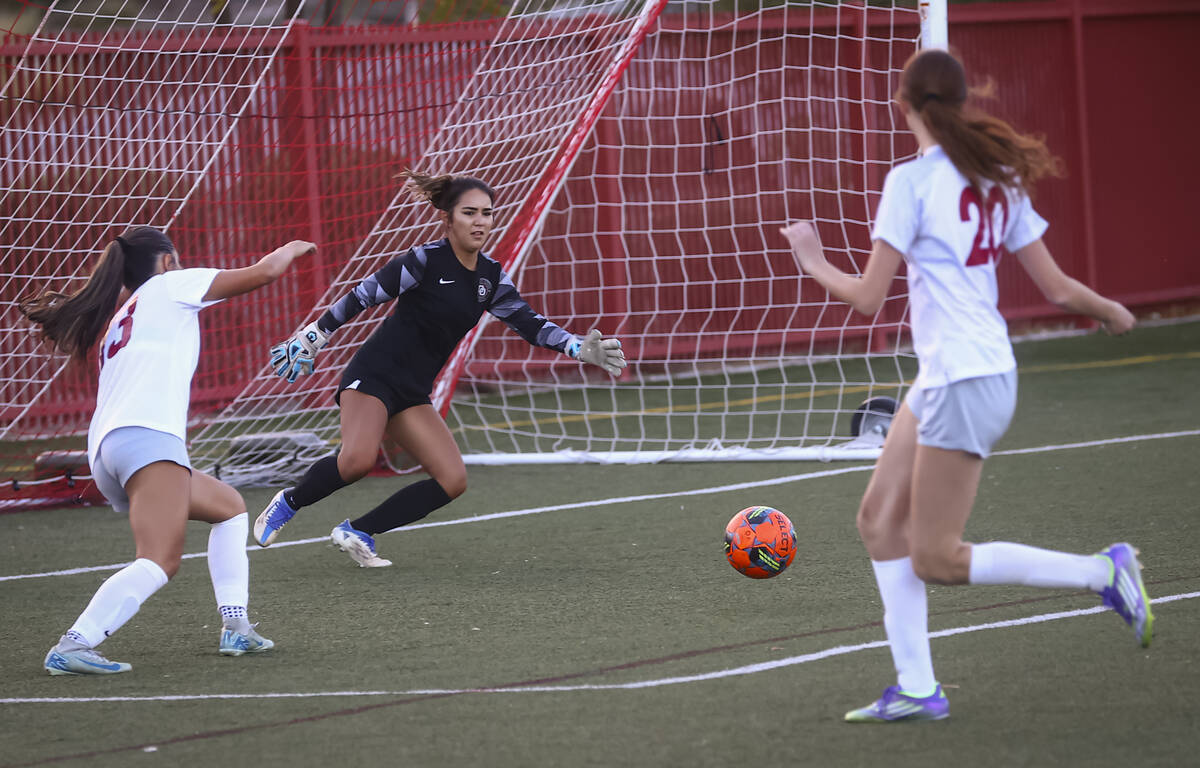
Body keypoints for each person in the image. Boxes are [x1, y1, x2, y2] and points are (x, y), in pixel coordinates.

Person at [779, 49, 1148, 722]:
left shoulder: (911, 184)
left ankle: (1103, 570)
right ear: (959, 102)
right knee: (876, 521)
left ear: (904, 104)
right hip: (955, 371)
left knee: (937, 558)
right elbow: (1058, 286)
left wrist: (811, 259)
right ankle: (917, 687)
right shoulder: (994, 174)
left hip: (965, 380)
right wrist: (1111, 310)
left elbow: (866, 298)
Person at [254, 170, 626, 567]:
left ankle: (358, 531)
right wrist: (317, 334)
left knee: (453, 480)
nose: (480, 221)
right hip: (373, 377)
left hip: (412, 392)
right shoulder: (424, 260)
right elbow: (363, 294)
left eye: (487, 213)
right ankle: (288, 501)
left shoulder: (491, 278)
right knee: (357, 461)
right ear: (448, 218)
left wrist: (576, 347)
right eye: (470, 212)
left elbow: (530, 324)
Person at [20, 226, 314, 675]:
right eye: (175, 259)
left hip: (112, 450)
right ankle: (74, 643)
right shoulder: (170, 285)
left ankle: (236, 626)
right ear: (165, 261)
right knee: (159, 560)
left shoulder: (124, 313)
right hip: (147, 440)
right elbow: (264, 273)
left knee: (229, 508)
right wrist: (295, 246)